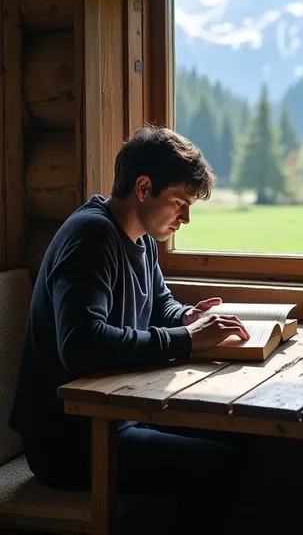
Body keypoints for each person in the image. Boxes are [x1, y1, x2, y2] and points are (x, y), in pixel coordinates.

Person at [10, 124, 252, 534]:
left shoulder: (139, 240)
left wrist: (185, 316)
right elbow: (82, 345)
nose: (186, 218)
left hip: (116, 416)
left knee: (240, 435)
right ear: (143, 188)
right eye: (179, 202)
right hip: (70, 439)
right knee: (217, 463)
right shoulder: (91, 237)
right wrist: (187, 340)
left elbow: (159, 302)